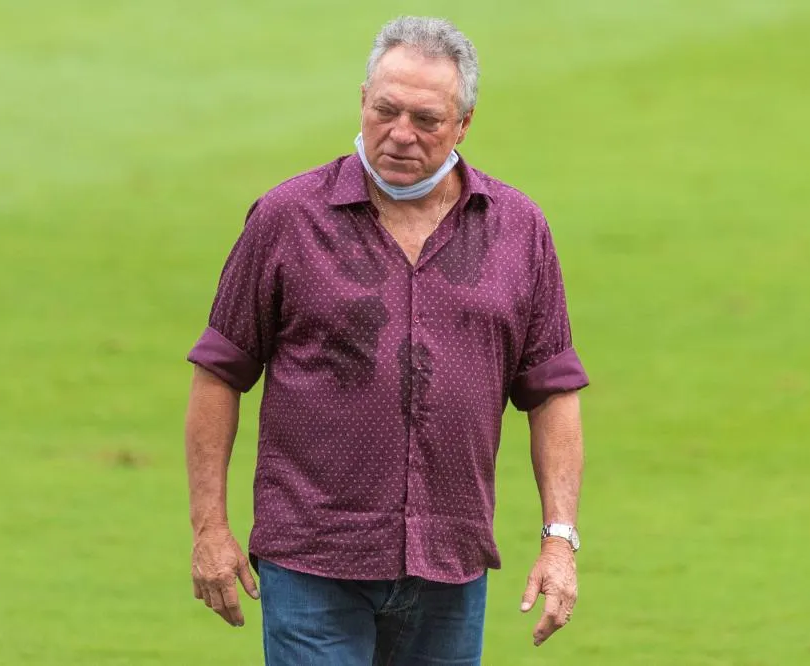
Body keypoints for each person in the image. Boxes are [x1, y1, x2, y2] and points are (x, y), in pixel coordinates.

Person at [184, 15, 588, 666]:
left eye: (426, 119)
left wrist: (559, 541)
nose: (400, 134)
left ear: (463, 125)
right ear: (363, 103)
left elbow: (552, 391)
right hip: (312, 558)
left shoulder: (518, 229)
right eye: (386, 110)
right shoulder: (287, 218)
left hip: (450, 564)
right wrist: (210, 528)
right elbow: (220, 372)